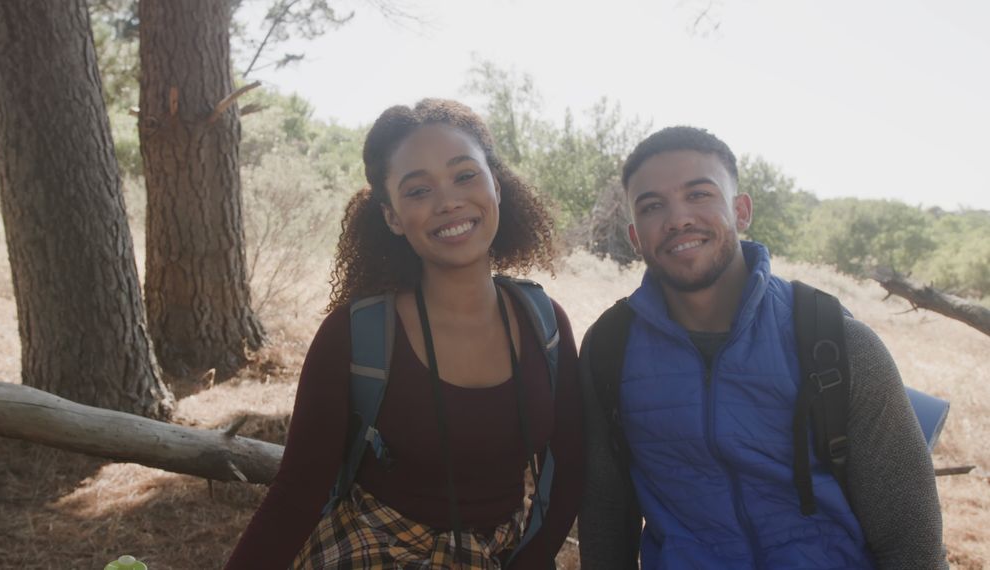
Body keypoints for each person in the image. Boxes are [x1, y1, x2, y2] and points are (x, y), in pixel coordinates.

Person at [225, 99, 583, 569]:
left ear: (496, 185)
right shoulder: (354, 336)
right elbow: (296, 493)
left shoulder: (545, 324)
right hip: (376, 552)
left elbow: (571, 469)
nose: (448, 201)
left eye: (464, 175)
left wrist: (531, 559)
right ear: (392, 216)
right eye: (418, 190)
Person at [577, 126, 947, 569]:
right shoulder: (610, 349)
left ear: (741, 211)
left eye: (698, 194)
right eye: (652, 206)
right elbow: (605, 512)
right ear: (636, 237)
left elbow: (911, 540)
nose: (677, 219)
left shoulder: (836, 342)